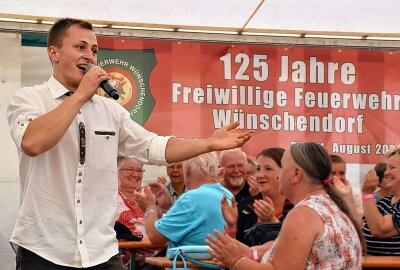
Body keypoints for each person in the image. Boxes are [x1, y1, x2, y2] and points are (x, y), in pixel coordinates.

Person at [6, 18, 252, 269]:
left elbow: (154, 146)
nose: (89, 56)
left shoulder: (111, 111)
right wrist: (81, 95)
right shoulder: (29, 99)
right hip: (44, 250)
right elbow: (32, 142)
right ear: (53, 53)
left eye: (94, 50)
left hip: (100, 251)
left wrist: (208, 144)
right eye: (80, 47)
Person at [207, 142, 362, 269]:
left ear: (296, 174)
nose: (279, 175)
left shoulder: (304, 214)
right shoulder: (329, 208)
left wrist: (235, 260)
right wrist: (250, 252)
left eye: (282, 166)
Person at [133, 152, 233, 258]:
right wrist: (167, 208)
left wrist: (149, 207)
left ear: (188, 169)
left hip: (191, 265)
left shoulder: (191, 198)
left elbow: (155, 238)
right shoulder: (226, 194)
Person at [227, 148, 293, 244]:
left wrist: (273, 222)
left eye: (268, 169)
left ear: (284, 172)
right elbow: (232, 250)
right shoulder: (243, 208)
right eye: (258, 169)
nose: (260, 175)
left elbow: (297, 247)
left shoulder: (298, 208)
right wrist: (231, 226)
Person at [116, 157, 164, 269]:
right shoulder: (111, 198)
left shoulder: (149, 195)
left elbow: (164, 224)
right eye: (130, 169)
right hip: (131, 258)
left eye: (139, 170)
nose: (135, 174)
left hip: (160, 252)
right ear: (117, 171)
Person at [362, 146, 400, 256]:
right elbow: (365, 224)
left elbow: (379, 229)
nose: (386, 173)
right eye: (386, 168)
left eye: (392, 167)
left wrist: (367, 193)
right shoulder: (385, 201)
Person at [329, 154, 364, 219]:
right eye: (332, 173)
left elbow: (359, 224)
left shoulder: (355, 198)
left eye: (342, 173)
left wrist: (348, 197)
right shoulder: (317, 196)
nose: (338, 177)